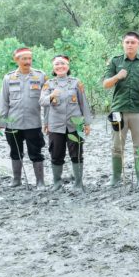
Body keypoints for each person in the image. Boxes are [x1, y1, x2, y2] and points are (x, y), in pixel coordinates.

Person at [103, 31, 139, 187]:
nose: (130, 45)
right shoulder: (115, 61)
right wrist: (117, 76)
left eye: (133, 42)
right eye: (127, 42)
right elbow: (106, 84)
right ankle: (115, 178)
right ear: (123, 44)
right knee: (117, 145)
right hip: (118, 110)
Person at [0, 47, 47, 188]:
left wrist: (48, 122)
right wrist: (0, 123)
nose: (27, 61)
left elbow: (47, 100)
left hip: (33, 123)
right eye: (24, 59)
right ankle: (17, 180)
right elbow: (3, 101)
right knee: (15, 152)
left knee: (36, 153)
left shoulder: (40, 76)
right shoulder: (8, 78)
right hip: (13, 123)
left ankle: (40, 181)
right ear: (16, 60)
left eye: (29, 58)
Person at [40, 55, 92, 191]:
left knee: (77, 153)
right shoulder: (49, 84)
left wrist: (87, 123)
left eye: (63, 63)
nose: (60, 66)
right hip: (56, 125)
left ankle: (78, 183)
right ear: (53, 67)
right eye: (57, 64)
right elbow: (42, 102)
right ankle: (57, 183)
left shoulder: (76, 83)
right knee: (56, 154)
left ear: (68, 67)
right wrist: (52, 95)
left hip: (75, 124)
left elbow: (83, 103)